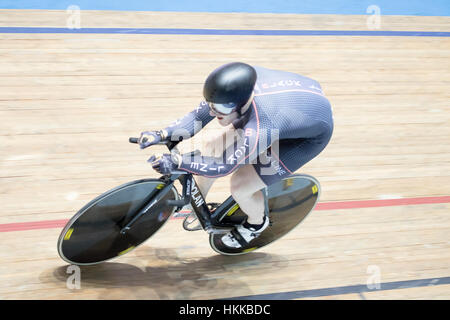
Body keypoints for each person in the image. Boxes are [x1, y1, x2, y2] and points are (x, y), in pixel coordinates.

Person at [139, 62, 334, 249]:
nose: (214, 112)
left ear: (241, 103)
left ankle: (257, 223)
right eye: (211, 105)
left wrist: (178, 162)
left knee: (241, 186)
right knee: (212, 146)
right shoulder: (232, 91)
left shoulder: (259, 125)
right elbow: (198, 117)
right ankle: (197, 203)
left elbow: (223, 166)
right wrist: (162, 134)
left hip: (305, 138)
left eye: (222, 108)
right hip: (290, 108)